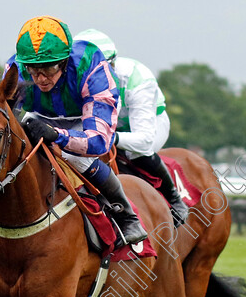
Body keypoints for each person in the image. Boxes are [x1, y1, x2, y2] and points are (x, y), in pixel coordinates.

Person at [6, 16, 147, 245]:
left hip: (85, 117)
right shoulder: (16, 70)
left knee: (72, 154)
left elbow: (98, 142)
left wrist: (57, 135)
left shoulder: (90, 66)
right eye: (33, 69)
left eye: (49, 68)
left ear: (64, 61)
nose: (41, 78)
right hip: (40, 115)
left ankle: (127, 217)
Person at [74, 29, 189, 225]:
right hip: (106, 125)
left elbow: (144, 140)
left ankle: (175, 200)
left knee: (136, 153)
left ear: (111, 64)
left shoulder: (138, 79)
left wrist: (110, 138)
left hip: (147, 125)